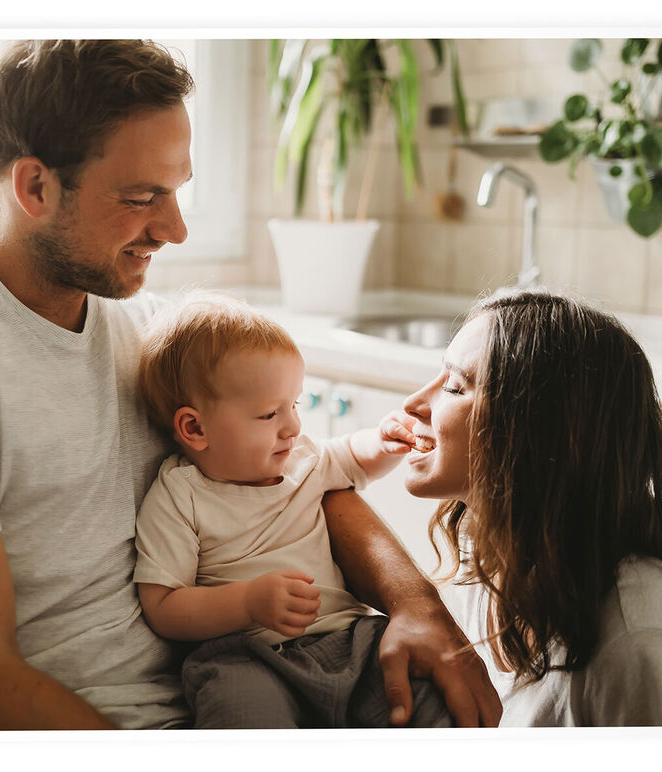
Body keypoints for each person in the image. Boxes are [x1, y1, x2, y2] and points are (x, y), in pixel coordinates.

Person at [0, 38, 499, 731]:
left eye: (178, 191)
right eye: (143, 197)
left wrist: (418, 606)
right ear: (34, 187)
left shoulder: (150, 334)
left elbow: (298, 475)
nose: (174, 229)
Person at [394, 288, 662, 727]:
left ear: (534, 434)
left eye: (455, 387)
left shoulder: (645, 649)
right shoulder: (496, 555)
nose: (413, 405)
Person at [132, 292, 451, 729]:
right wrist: (246, 603)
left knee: (425, 696)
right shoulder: (179, 495)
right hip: (244, 657)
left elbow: (354, 458)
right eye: (269, 414)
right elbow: (163, 605)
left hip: (351, 641)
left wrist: (384, 441)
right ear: (195, 427)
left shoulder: (303, 456)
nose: (293, 426)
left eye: (294, 405)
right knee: (243, 716)